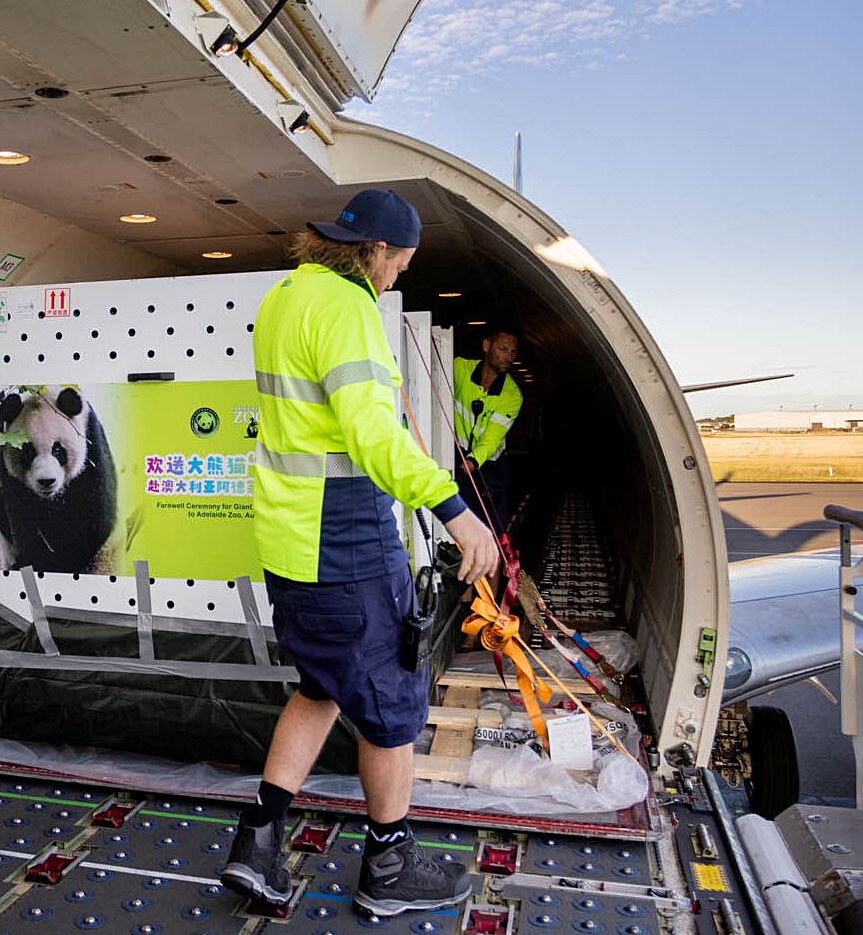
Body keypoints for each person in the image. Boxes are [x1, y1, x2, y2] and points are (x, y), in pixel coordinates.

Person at [220, 189, 498, 916]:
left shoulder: (285, 296)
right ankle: (388, 867)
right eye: (399, 261)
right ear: (374, 250)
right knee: (394, 706)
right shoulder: (346, 309)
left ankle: (256, 842)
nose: (398, 275)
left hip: (287, 542)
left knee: (320, 685)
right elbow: (374, 438)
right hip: (343, 542)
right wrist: (455, 513)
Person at [453, 329, 523, 531]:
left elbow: (492, 439)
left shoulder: (512, 395)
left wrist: (472, 462)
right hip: (460, 458)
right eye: (503, 349)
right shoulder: (459, 369)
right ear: (486, 346)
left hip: (489, 468)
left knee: (492, 530)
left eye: (513, 352)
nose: (509, 357)